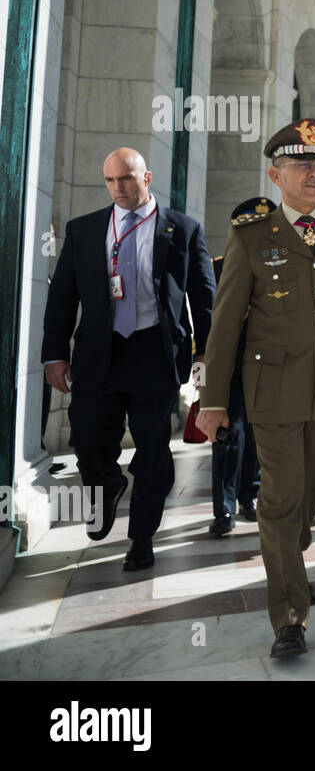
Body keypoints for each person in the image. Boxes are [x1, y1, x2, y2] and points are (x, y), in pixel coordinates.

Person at [196, 118, 315, 659]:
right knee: (279, 500)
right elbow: (225, 323)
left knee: (306, 500)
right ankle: (289, 617)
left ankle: (291, 563)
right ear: (275, 174)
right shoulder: (252, 237)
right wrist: (212, 400)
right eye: (303, 164)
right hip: (273, 391)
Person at [41, 148, 216, 571]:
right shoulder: (83, 231)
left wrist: (207, 355)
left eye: (127, 179)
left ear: (147, 177)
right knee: (87, 440)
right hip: (98, 353)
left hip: (153, 354)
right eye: (111, 181)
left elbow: (205, 296)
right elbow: (63, 296)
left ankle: (141, 537)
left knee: (153, 450)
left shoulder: (183, 230)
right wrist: (53, 355)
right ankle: (108, 484)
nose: (118, 188)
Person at [207, 196, 275, 537]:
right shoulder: (217, 266)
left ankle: (251, 496)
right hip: (229, 368)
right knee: (227, 436)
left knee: (259, 437)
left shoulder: (283, 267)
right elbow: (208, 320)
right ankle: (224, 510)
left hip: (269, 368)